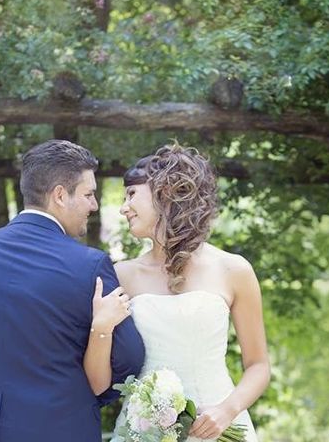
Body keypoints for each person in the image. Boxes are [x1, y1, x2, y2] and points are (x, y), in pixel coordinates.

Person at [0, 139, 145, 442]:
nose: (94, 205)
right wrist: (83, 398)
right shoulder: (89, 265)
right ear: (60, 195)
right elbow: (129, 357)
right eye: (88, 194)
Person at [87, 142, 270, 441]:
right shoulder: (121, 275)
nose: (123, 208)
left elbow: (259, 365)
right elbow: (97, 383)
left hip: (219, 427)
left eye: (132, 194)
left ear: (167, 191)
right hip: (143, 433)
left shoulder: (233, 270)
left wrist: (227, 410)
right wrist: (101, 326)